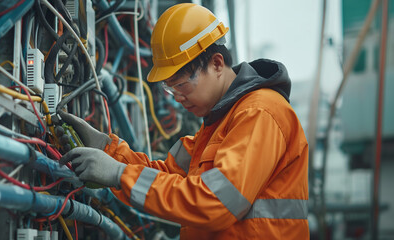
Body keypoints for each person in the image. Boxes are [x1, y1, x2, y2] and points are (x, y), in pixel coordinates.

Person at [59, 3, 309, 239]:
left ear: (217, 64)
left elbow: (215, 203)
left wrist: (119, 173)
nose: (178, 97)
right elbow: (166, 175)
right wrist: (108, 150)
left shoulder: (259, 112)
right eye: (170, 89)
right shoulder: (220, 124)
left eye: (181, 84)